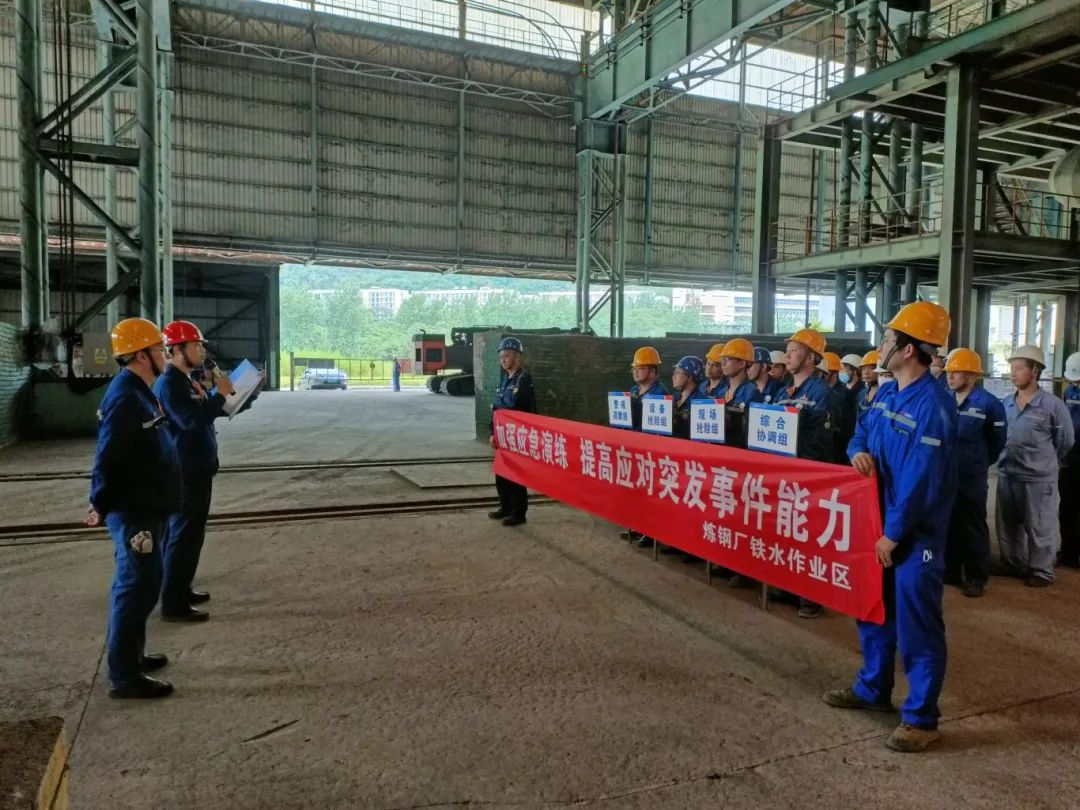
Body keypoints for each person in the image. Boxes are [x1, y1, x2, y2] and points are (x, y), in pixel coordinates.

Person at [823, 300, 957, 754]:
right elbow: (861, 431)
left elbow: (923, 478)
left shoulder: (934, 406)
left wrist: (894, 533)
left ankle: (921, 718)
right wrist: (856, 451)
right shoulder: (885, 394)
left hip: (913, 535)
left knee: (918, 624)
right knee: (873, 610)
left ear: (909, 349)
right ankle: (872, 688)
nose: (881, 345)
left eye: (887, 338)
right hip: (878, 524)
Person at [86, 318, 183, 699]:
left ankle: (133, 656)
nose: (165, 356)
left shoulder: (141, 390)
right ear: (141, 355)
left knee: (143, 585)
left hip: (147, 505)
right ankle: (125, 675)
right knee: (136, 586)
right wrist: (99, 502)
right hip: (133, 510)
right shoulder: (126, 398)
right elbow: (107, 458)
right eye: (160, 350)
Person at [155, 320, 260, 623]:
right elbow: (191, 420)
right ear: (176, 349)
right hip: (186, 471)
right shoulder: (170, 383)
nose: (202, 351)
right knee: (182, 536)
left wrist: (246, 394)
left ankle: (181, 588)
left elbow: (211, 412)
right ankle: (173, 603)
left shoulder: (186, 380)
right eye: (196, 346)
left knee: (191, 536)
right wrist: (220, 394)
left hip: (198, 468)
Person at [769, 328, 835, 617]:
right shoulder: (783, 391)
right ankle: (789, 585)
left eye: (794, 351)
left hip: (810, 474)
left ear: (810, 357)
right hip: (786, 473)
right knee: (788, 530)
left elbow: (822, 440)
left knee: (810, 534)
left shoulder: (822, 393)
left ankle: (811, 595)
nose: (788, 356)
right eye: (788, 350)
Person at [996, 345, 1074, 586]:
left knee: (1039, 526)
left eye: (1019, 368)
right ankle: (1013, 564)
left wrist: (1045, 463)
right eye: (1012, 368)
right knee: (1008, 526)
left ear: (1035, 371)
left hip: (1038, 478)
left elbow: (1066, 441)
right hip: (1008, 474)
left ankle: (1041, 571)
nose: (1013, 373)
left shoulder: (1052, 405)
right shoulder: (1006, 403)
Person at [943, 348, 1006, 598]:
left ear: (971, 375)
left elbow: (997, 441)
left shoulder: (989, 404)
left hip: (972, 476)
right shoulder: (944, 399)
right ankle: (950, 571)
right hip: (945, 473)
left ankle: (977, 576)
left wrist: (979, 462)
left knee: (973, 525)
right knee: (948, 522)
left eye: (956, 372)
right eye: (948, 372)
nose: (950, 377)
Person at [489, 337, 536, 527]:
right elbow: (495, 408)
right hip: (502, 434)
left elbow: (514, 404)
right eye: (501, 356)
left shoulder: (524, 379)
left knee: (516, 474)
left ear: (517, 356)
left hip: (517, 435)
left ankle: (518, 513)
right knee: (501, 472)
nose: (503, 360)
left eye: (507, 356)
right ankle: (505, 506)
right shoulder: (504, 380)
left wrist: (500, 403)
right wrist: (492, 432)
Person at [624, 347, 668, 546]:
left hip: (651, 451)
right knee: (635, 490)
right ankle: (637, 525)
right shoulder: (634, 391)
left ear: (653, 370)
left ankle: (650, 531)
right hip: (634, 447)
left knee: (650, 491)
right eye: (634, 368)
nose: (636, 372)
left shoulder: (660, 393)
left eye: (640, 368)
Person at [717, 338, 763, 448]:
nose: (723, 363)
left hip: (740, 451)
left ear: (742, 363)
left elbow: (753, 432)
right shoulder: (721, 391)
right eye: (723, 359)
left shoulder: (752, 393)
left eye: (728, 359)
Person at [1060, 351, 1080, 568]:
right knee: (1067, 507)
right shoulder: (1069, 392)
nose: (1077, 383)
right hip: (1070, 457)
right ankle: (1069, 552)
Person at [671, 355, 704, 440]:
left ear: (689, 377)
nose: (673, 377)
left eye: (677, 373)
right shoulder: (675, 397)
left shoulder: (702, 403)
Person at [855, 350, 881, 420]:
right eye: (863, 369)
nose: (866, 372)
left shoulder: (887, 394)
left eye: (872, 368)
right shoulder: (862, 393)